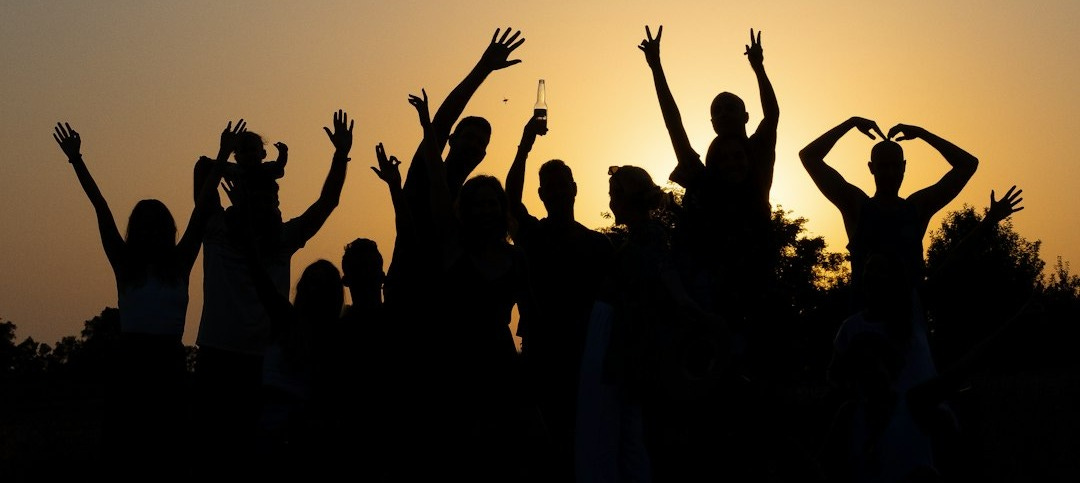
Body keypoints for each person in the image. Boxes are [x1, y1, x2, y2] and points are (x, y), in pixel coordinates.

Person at [53, 120, 228, 482]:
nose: (151, 232)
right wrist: (76, 160)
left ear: (167, 231)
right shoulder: (125, 263)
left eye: (158, 226)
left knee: (168, 455)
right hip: (130, 367)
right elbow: (100, 207)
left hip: (168, 367)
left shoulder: (180, 263)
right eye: (144, 226)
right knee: (125, 455)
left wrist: (224, 154)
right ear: (135, 230)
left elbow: (199, 216)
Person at [190, 110, 353, 479]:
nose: (268, 209)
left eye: (273, 203)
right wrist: (231, 160)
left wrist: (341, 155)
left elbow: (327, 203)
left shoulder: (284, 239)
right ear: (240, 203)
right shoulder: (215, 231)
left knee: (262, 459)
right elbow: (202, 170)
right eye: (258, 202)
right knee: (210, 455)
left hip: (268, 365)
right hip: (217, 358)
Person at [638, 25, 781, 381]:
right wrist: (656, 68)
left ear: (745, 117)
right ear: (713, 123)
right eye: (720, 112)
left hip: (755, 284)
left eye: (734, 110)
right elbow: (674, 125)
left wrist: (760, 69)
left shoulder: (758, 163)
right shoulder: (702, 180)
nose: (728, 116)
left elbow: (773, 114)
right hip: (710, 292)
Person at [504, 114, 615, 482]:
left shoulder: (599, 244)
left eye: (560, 183)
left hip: (586, 353)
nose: (555, 190)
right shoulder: (533, 236)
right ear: (541, 194)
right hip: (541, 351)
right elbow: (509, 199)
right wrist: (524, 144)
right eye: (547, 185)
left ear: (574, 188)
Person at [385, 27, 525, 307]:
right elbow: (443, 120)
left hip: (448, 304)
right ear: (451, 141)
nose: (474, 145)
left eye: (481, 142)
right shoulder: (428, 174)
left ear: (484, 155)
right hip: (409, 293)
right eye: (469, 137)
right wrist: (483, 69)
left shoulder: (473, 202)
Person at [799, 117, 978, 310]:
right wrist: (850, 123)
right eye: (883, 166)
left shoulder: (916, 208)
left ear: (904, 167)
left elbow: (968, 164)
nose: (890, 173)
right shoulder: (857, 206)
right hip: (866, 322)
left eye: (895, 166)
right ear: (871, 168)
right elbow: (809, 156)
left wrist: (922, 133)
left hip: (908, 324)